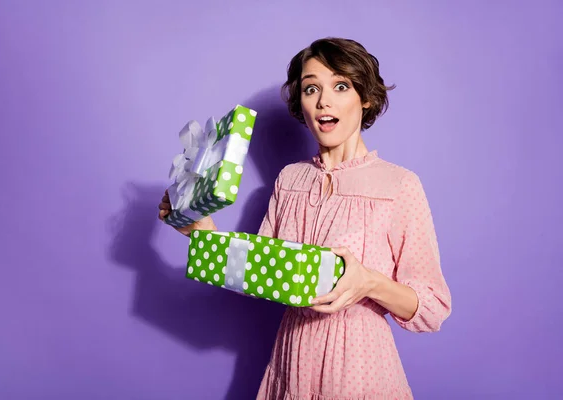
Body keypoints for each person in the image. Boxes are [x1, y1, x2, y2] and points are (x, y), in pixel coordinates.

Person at [159, 37, 452, 400]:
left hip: (361, 370)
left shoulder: (399, 185)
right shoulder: (289, 179)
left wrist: (369, 283)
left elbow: (432, 309)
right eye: (311, 88)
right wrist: (201, 232)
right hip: (292, 362)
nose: (324, 100)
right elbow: (262, 272)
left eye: (341, 86)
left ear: (366, 98)